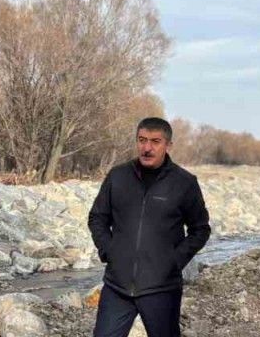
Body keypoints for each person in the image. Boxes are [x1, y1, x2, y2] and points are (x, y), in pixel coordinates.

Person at [88, 117, 211, 337]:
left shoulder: (184, 182)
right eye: (142, 140)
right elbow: (97, 217)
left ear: (168, 145)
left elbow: (200, 229)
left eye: (155, 141)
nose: (147, 148)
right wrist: (109, 250)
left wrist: (174, 261)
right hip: (117, 287)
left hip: (162, 288)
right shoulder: (118, 176)